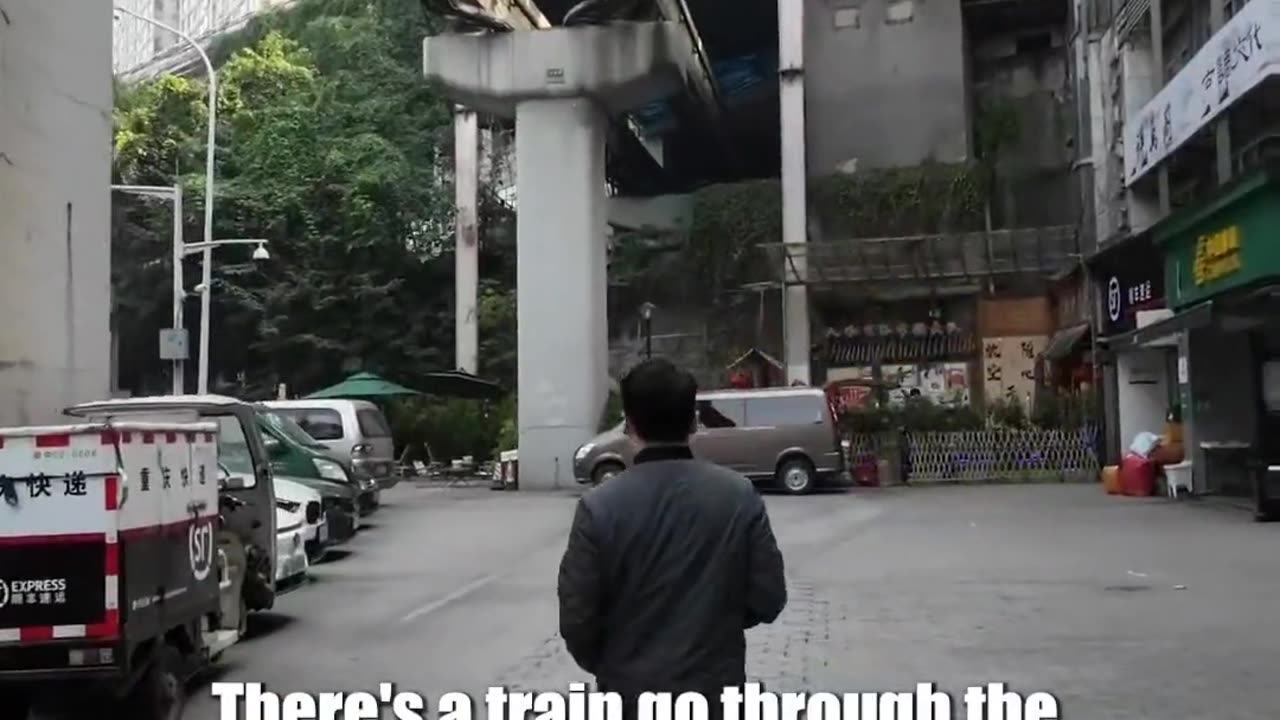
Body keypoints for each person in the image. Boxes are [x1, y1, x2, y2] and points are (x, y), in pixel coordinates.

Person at [557, 358, 788, 718]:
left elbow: (577, 619)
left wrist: (616, 666)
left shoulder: (598, 507)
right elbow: (769, 598)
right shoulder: (738, 496)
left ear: (630, 425)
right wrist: (716, 621)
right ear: (693, 421)